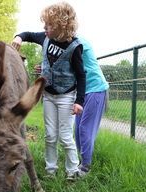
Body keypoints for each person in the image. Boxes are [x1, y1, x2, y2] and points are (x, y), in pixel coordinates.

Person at [12, 2, 86, 181]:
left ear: (62, 26)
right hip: (49, 96)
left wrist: (79, 101)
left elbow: (81, 76)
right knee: (51, 135)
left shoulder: (75, 47)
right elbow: (27, 34)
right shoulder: (45, 38)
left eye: (49, 25)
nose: (45, 28)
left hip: (66, 97)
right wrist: (18, 37)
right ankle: (50, 170)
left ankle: (72, 171)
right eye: (44, 24)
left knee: (66, 136)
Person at [75, 36, 109, 177]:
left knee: (85, 128)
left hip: (95, 89)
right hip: (82, 92)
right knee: (77, 129)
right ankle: (80, 161)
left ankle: (85, 167)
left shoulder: (78, 43)